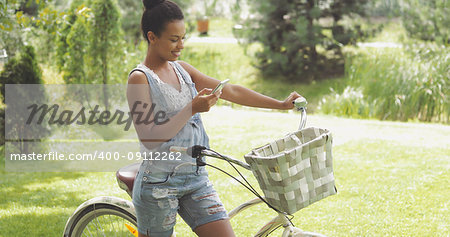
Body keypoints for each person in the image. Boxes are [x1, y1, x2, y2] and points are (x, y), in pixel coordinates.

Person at [126, 0, 302, 236]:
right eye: (174, 39)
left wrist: (280, 104)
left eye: (183, 38)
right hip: (159, 184)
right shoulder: (139, 79)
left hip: (196, 177)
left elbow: (231, 91)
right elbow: (149, 138)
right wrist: (191, 108)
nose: (181, 46)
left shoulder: (182, 69)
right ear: (152, 37)